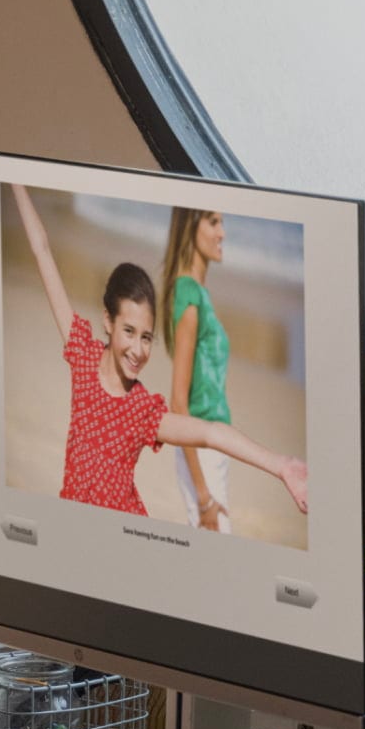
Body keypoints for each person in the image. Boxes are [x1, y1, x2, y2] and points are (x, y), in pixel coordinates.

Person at [13, 184, 306, 522]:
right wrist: (13, 179)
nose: (138, 350)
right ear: (108, 321)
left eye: (147, 337)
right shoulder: (82, 356)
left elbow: (211, 434)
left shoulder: (142, 411)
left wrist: (281, 466)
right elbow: (42, 250)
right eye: (129, 332)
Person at [160, 206, 240, 532]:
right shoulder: (189, 295)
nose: (222, 232)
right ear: (190, 226)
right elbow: (178, 403)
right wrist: (203, 496)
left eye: (223, 221)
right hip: (201, 452)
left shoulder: (198, 294)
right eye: (213, 221)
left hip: (214, 449)